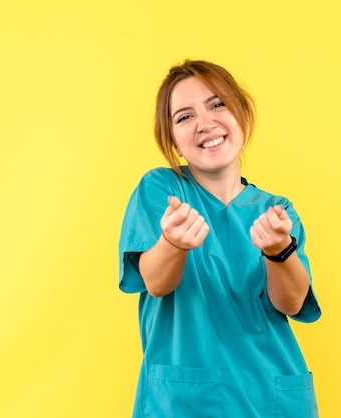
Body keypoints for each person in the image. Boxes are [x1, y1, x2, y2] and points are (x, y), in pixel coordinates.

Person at [118, 59, 321, 417]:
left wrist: (279, 251)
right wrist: (173, 243)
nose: (205, 123)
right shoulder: (162, 190)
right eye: (184, 117)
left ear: (241, 113)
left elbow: (291, 302)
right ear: (174, 141)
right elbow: (155, 281)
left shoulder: (277, 210)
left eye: (217, 104)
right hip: (184, 402)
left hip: (271, 396)